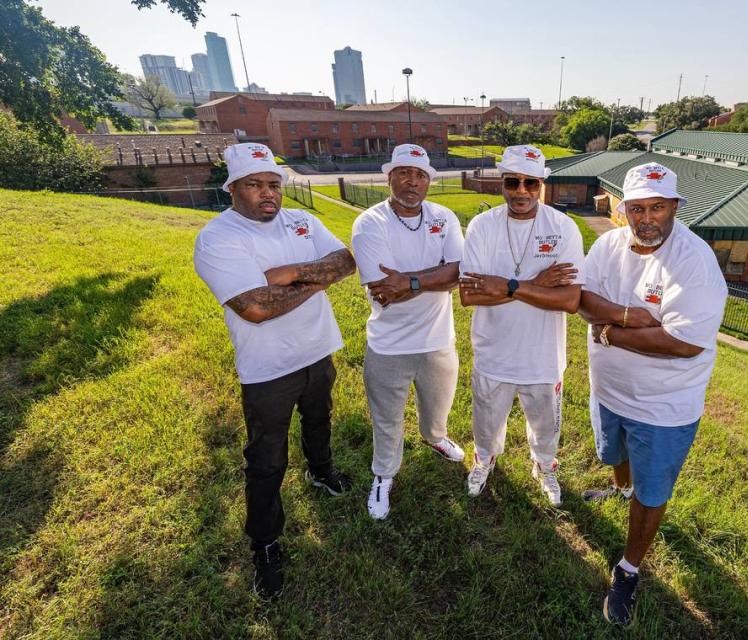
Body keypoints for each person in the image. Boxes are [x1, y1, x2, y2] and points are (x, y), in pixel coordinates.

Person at [193, 143, 356, 600]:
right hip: (267, 370)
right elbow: (256, 308)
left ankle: (321, 472)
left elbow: (345, 260)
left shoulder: (300, 221)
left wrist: (287, 273)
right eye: (254, 184)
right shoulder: (218, 238)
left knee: (320, 419)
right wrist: (314, 280)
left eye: (273, 184)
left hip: (318, 348)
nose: (268, 194)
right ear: (232, 189)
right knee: (266, 460)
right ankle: (264, 543)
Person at [577, 163, 727, 625]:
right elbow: (581, 299)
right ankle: (620, 489)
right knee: (613, 454)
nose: (647, 218)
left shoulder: (694, 262)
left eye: (658, 207)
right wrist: (630, 315)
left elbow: (682, 343)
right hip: (609, 390)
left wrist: (608, 333)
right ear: (623, 209)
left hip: (664, 407)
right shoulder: (607, 245)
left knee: (653, 489)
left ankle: (629, 569)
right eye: (638, 207)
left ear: (675, 207)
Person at [459, 144, 584, 506]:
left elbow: (571, 300)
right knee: (486, 419)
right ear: (503, 183)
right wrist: (538, 285)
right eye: (513, 182)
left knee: (546, 425)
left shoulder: (563, 228)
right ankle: (484, 459)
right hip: (492, 351)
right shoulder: (483, 226)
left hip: (543, 357)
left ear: (542, 184)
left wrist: (508, 285)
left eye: (531, 183)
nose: (522, 192)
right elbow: (469, 296)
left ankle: (544, 465)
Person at [351, 144, 466, 520]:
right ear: (389, 177)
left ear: (428, 181)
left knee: (437, 410)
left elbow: (458, 273)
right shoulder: (370, 222)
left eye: (419, 175)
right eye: (403, 173)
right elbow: (383, 289)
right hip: (389, 345)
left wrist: (411, 281)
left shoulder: (444, 217)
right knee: (387, 419)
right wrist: (434, 278)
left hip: (437, 340)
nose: (411, 181)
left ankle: (434, 439)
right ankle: (384, 474)